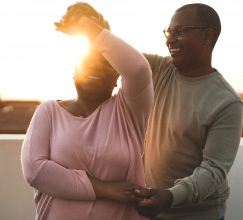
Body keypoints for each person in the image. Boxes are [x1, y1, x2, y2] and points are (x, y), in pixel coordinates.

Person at [21, 2, 154, 220]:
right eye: (88, 61)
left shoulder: (128, 111)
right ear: (74, 73)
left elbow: (138, 68)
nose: (96, 67)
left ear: (116, 78)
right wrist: (104, 188)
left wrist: (87, 27)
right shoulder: (49, 112)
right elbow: (36, 171)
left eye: (105, 64)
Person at [134, 3, 243, 220]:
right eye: (169, 32)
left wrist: (169, 197)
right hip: (150, 209)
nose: (169, 39)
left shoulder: (227, 102)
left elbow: (213, 171)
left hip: (196, 215)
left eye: (179, 31)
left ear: (207, 36)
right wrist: (94, 27)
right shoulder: (160, 69)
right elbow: (121, 56)